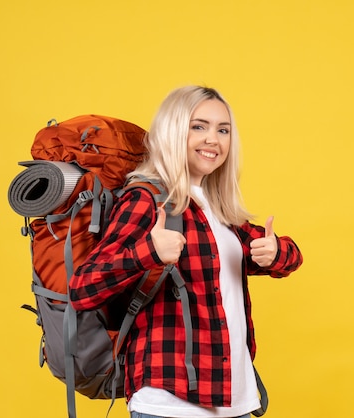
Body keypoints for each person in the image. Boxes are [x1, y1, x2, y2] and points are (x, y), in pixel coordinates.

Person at [69, 86, 303, 418]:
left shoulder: (220, 210)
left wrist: (277, 252)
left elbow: (291, 257)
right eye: (199, 126)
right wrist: (148, 252)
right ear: (173, 131)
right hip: (169, 402)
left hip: (233, 399)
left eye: (223, 130)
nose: (214, 139)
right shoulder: (147, 199)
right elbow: (82, 287)